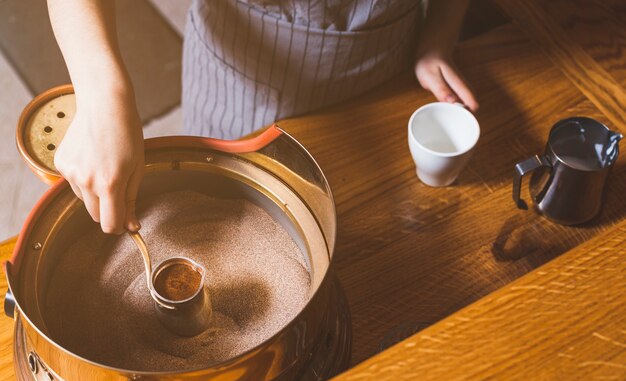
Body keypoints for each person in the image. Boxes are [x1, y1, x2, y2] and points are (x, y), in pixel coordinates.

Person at [47, 0, 478, 235]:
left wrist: (437, 36)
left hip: (384, 68)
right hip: (238, 74)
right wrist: (103, 92)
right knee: (217, 214)